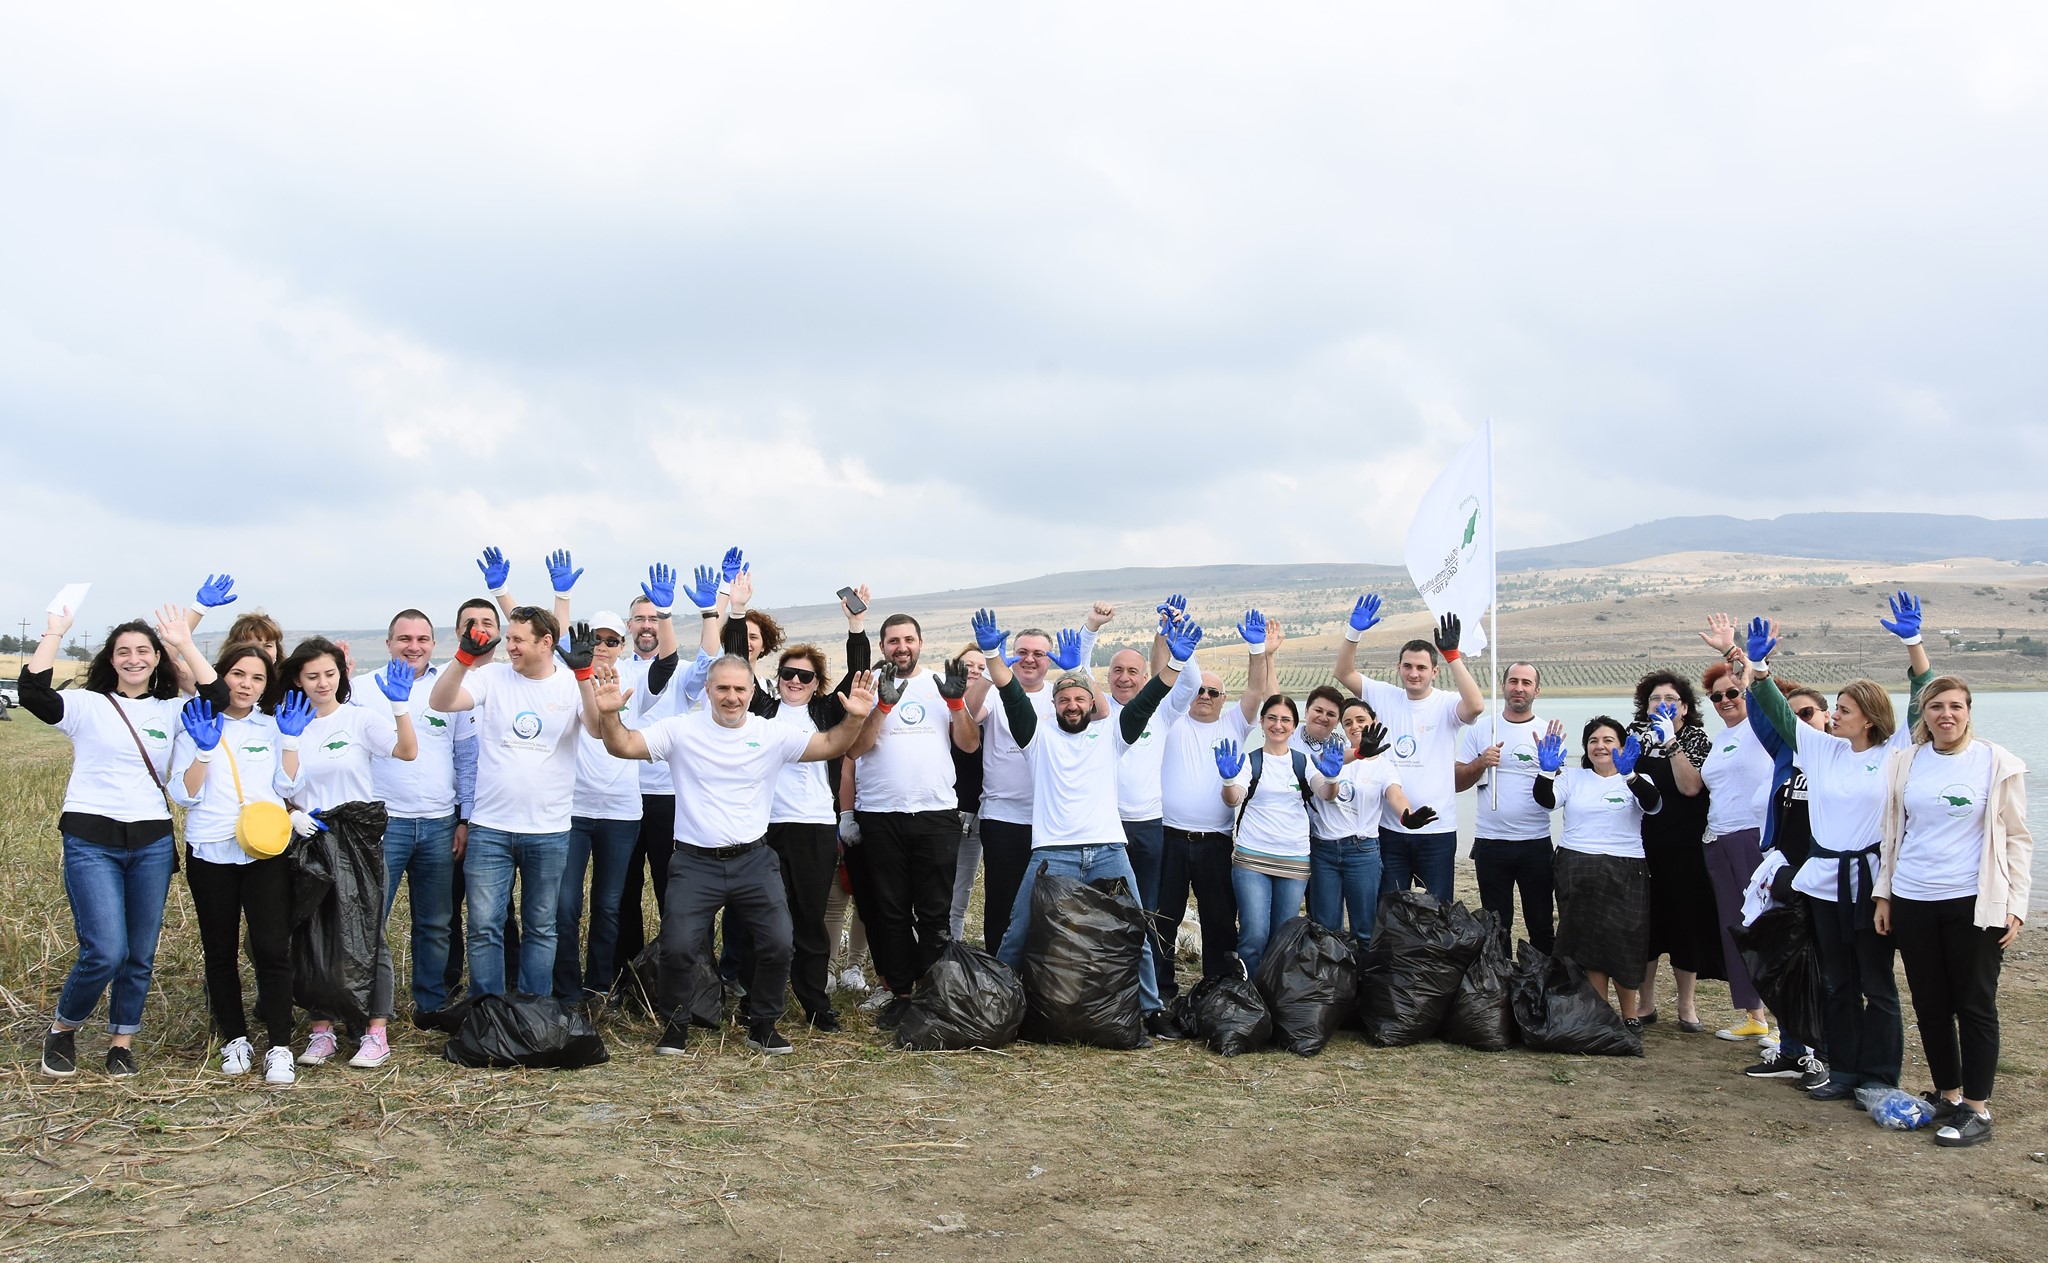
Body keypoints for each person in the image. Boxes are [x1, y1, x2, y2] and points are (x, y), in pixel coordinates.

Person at [592, 656, 877, 1055]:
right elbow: (622, 744)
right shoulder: (680, 730)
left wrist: (856, 717)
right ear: (708, 689)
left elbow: (832, 744)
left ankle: (762, 1025)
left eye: (740, 689)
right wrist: (609, 714)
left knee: (778, 943)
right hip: (694, 862)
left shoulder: (770, 733)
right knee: (678, 946)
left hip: (754, 861)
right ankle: (675, 1026)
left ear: (752, 692)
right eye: (723, 688)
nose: (731, 697)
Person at [23, 601, 223, 1078]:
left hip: (151, 841)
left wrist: (184, 642)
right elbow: (33, 692)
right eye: (123, 652)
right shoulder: (86, 705)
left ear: (156, 659)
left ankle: (121, 1042)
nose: (134, 659)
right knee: (105, 950)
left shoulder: (171, 710)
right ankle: (64, 1028)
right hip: (91, 840)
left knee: (139, 953)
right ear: (110, 660)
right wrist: (55, 631)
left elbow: (216, 696)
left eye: (143, 651)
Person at [978, 608, 1197, 1042]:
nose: (1073, 705)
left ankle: (1152, 1010)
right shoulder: (1037, 736)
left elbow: (1150, 698)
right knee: (1017, 929)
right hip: (1051, 853)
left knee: (1137, 928)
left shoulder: (1111, 734)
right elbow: (1009, 692)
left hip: (1109, 850)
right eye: (1064, 700)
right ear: (1054, 705)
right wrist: (990, 655)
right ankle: (996, 1002)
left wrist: (1174, 662)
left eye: (1080, 699)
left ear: (1091, 704)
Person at [1746, 600, 1933, 1100]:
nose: (1835, 716)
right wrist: (1758, 667)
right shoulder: (1821, 749)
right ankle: (1844, 1073)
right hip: (1825, 883)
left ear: (1869, 718)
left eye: (1844, 710)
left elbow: (1922, 697)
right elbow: (1777, 713)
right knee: (1836, 981)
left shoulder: (1896, 750)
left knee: (1877, 983)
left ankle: (1880, 1077)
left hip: (1870, 884)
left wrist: (1913, 644)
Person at [1874, 672, 2031, 1148]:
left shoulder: (1996, 762)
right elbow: (1892, 833)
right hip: (1913, 898)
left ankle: (1977, 1109)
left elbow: (2018, 838)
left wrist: (2016, 905)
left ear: (1968, 712)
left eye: (1955, 706)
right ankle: (1949, 1096)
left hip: (1972, 901)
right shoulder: (1906, 761)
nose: (1946, 715)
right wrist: (1885, 894)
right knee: (1930, 1004)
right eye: (1936, 706)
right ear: (1924, 713)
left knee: (1975, 1004)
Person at [714, 571, 872, 1031]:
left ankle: (815, 1003)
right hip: (763, 828)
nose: (795, 681)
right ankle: (755, 1001)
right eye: (788, 673)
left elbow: (859, 676)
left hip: (813, 828)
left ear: (817, 682)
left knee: (808, 920)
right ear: (778, 677)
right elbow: (734, 660)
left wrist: (857, 626)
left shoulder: (826, 712)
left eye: (805, 676)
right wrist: (737, 611)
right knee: (760, 920)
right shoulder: (761, 709)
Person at [428, 606, 592, 1001]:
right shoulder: (492, 677)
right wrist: (463, 657)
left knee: (541, 927)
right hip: (491, 829)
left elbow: (600, 730)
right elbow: (441, 701)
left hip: (548, 830)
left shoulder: (570, 684)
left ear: (545, 642)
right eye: (510, 638)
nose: (510, 646)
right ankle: (488, 1012)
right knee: (484, 926)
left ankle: (534, 1012)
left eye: (519, 639)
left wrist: (585, 676)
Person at [168, 647, 307, 1084]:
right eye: (237, 674)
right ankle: (235, 1039)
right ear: (220, 676)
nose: (246, 684)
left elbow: (288, 785)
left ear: (267, 686)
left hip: (265, 850)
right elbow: (184, 795)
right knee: (220, 949)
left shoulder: (272, 726)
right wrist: (203, 751)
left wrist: (290, 741)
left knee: (272, 948)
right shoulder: (196, 724)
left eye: (258, 678)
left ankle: (280, 1046)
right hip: (211, 850)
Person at [281, 637, 419, 1068]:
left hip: (357, 841)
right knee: (311, 933)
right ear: (298, 680)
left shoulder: (360, 719)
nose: (322, 683)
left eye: (330, 673)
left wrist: (400, 705)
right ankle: (321, 1029)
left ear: (341, 675)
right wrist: (292, 814)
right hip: (309, 839)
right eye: (312, 676)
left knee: (366, 931)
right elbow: (279, 784)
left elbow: (407, 751)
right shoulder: (287, 725)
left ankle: (375, 1032)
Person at [844, 612, 982, 1025]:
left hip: (936, 812)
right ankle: (900, 993)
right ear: (882, 646)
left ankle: (936, 993)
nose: (901, 647)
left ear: (920, 643)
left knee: (935, 911)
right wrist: (882, 707)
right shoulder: (867, 686)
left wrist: (956, 704)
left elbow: (969, 745)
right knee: (891, 911)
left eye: (908, 640)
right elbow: (854, 749)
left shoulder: (940, 685)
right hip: (881, 813)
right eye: (893, 641)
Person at [962, 608, 1103, 958]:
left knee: (1051, 903)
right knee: (1003, 901)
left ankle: (1044, 972)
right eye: (1022, 652)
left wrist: (1076, 670)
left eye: (1039, 653)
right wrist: (992, 666)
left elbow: (1101, 713)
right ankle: (1000, 973)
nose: (1029, 659)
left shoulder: (1061, 696)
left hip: (1052, 820)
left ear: (1049, 659)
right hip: (1003, 816)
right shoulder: (995, 691)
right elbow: (969, 712)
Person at [1155, 610, 1278, 1002]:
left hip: (1216, 842)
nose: (1204, 696)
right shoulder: (1171, 720)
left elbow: (1257, 691)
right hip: (1170, 838)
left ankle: (1218, 993)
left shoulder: (1234, 725)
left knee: (1220, 921)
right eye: (1199, 690)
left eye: (1213, 692)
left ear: (1223, 700)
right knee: (1163, 918)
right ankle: (1162, 993)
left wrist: (1256, 649)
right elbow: (1159, 675)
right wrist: (1164, 635)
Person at [350, 609, 465, 1028]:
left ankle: (430, 1005)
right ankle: (360, 1004)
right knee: (369, 918)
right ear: (388, 644)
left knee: (435, 922)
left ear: (434, 644)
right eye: (404, 639)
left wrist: (464, 818)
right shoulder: (363, 689)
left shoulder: (449, 687)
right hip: (383, 823)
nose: (413, 647)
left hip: (439, 821)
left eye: (421, 639)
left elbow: (465, 755)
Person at [1332, 596, 1484, 901]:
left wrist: (1453, 656)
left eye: (1421, 668)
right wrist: (1353, 632)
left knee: (1437, 909)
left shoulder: (1446, 703)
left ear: (1434, 671)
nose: (1414, 673)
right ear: (1398, 668)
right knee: (1390, 907)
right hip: (1390, 828)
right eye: (1408, 666)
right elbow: (1344, 673)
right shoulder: (1384, 695)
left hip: (1437, 830)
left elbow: (1476, 706)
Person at [1534, 717, 1661, 1032]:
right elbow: (1546, 801)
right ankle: (1600, 1011)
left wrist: (1630, 775)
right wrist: (1546, 772)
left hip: (1626, 866)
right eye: (1593, 740)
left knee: (1625, 938)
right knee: (1587, 941)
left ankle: (1630, 1013)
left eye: (1608, 740)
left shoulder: (1638, 778)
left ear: (1623, 747)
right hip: (1577, 864)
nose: (1600, 746)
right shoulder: (1573, 777)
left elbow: (1653, 805)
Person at [1737, 672, 1833, 1089]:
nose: (1798, 722)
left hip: (1826, 876)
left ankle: (1825, 1056)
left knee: (1824, 970)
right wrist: (1746, 670)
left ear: (1827, 715)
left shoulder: (1838, 754)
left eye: (1806, 714)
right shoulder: (1784, 752)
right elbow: (1763, 717)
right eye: (1790, 716)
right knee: (1785, 965)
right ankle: (1792, 1051)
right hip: (1786, 874)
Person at [1685, 614, 1778, 1040]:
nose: (1725, 700)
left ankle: (1787, 1022)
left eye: (1732, 692)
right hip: (1717, 839)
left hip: (1752, 837)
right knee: (1734, 927)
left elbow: (1763, 692)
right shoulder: (1720, 738)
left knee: (1766, 927)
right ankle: (1755, 1016)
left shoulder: (1760, 726)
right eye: (1716, 696)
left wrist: (1732, 651)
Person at [1103, 602, 1200, 999]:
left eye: (1133, 671)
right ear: (1107, 676)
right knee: (1103, 909)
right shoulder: (1097, 710)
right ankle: (1107, 988)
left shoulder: (1160, 710)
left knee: (1149, 909)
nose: (1124, 678)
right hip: (1104, 824)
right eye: (1117, 670)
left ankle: (1153, 990)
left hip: (1147, 824)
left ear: (1146, 677)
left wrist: (1180, 648)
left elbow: (1190, 686)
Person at [1218, 692, 1350, 977]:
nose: (1278, 725)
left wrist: (1332, 777)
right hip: (1252, 859)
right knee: (1254, 934)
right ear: (1262, 721)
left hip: (1294, 860)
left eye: (1285, 720)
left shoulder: (1303, 762)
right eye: (1272, 718)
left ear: (1294, 725)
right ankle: (1247, 993)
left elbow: (1326, 794)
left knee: (1283, 936)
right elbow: (1234, 798)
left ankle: (1274, 993)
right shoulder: (1251, 761)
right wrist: (1228, 781)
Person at [557, 610, 647, 1005]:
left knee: (609, 905)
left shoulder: (636, 677)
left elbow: (675, 663)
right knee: (565, 904)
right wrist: (561, 598)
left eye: (612, 641)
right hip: (572, 810)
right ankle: (565, 989)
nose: (603, 647)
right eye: (596, 639)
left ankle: (598, 986)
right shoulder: (566, 679)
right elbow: (541, 633)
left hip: (621, 812)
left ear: (623, 646)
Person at [1627, 670, 1722, 1034]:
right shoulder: (1634, 736)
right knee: (1647, 924)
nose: (1662, 704)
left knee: (1686, 924)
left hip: (1685, 846)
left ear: (1684, 707)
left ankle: (1686, 1005)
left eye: (1670, 699)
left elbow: (1691, 787)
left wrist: (1671, 742)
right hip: (1641, 844)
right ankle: (1646, 1002)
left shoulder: (1696, 738)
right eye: (1655, 699)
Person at [1456, 662, 1555, 951]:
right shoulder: (1482, 729)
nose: (1518, 688)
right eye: (1513, 681)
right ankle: (1499, 977)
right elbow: (1457, 782)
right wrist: (1480, 762)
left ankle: (1542, 976)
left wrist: (1551, 769)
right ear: (1503, 686)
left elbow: (1559, 792)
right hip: (1491, 843)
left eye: (1526, 683)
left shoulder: (1546, 731)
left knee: (1541, 923)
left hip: (1536, 842)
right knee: (1497, 926)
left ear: (1537, 690)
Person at [1308, 699, 1415, 947]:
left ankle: (1364, 972)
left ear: (1374, 722)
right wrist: (1358, 754)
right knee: (1326, 929)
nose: (1354, 726)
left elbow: (1395, 795)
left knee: (1365, 929)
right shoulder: (1332, 756)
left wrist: (1407, 815)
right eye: (1347, 723)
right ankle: (1332, 973)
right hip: (1324, 850)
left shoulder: (1385, 766)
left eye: (1361, 720)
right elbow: (1327, 768)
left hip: (1362, 851)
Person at [946, 644, 988, 943]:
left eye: (982, 668)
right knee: (930, 890)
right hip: (939, 814)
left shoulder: (992, 710)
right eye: (969, 665)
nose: (974, 671)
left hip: (975, 817)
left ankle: (953, 954)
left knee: (961, 893)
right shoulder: (939, 707)